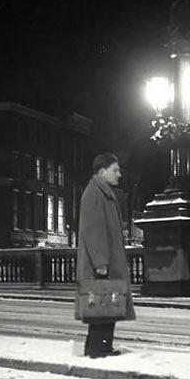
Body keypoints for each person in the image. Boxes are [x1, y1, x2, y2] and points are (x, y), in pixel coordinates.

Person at [76, 153, 135, 357]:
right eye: (115, 170)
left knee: (105, 306)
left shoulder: (101, 193)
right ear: (102, 172)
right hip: (101, 264)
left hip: (106, 262)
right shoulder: (95, 194)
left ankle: (100, 346)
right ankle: (97, 348)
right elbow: (94, 231)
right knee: (102, 306)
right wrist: (101, 262)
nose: (119, 174)